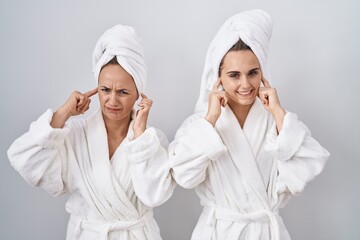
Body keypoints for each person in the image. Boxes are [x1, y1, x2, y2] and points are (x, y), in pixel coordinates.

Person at [169, 9, 330, 240]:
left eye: (252, 73)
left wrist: (277, 111)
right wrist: (211, 119)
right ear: (218, 78)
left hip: (265, 231)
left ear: (262, 74)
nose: (245, 84)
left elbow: (306, 168)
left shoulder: (276, 121)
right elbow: (184, 176)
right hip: (217, 232)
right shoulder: (201, 124)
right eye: (234, 75)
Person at [8, 25, 175, 240]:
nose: (112, 101)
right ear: (97, 88)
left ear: (138, 95)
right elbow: (21, 159)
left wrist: (140, 136)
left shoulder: (151, 140)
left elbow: (154, 196)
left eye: (123, 92)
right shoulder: (75, 134)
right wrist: (63, 113)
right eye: (105, 90)